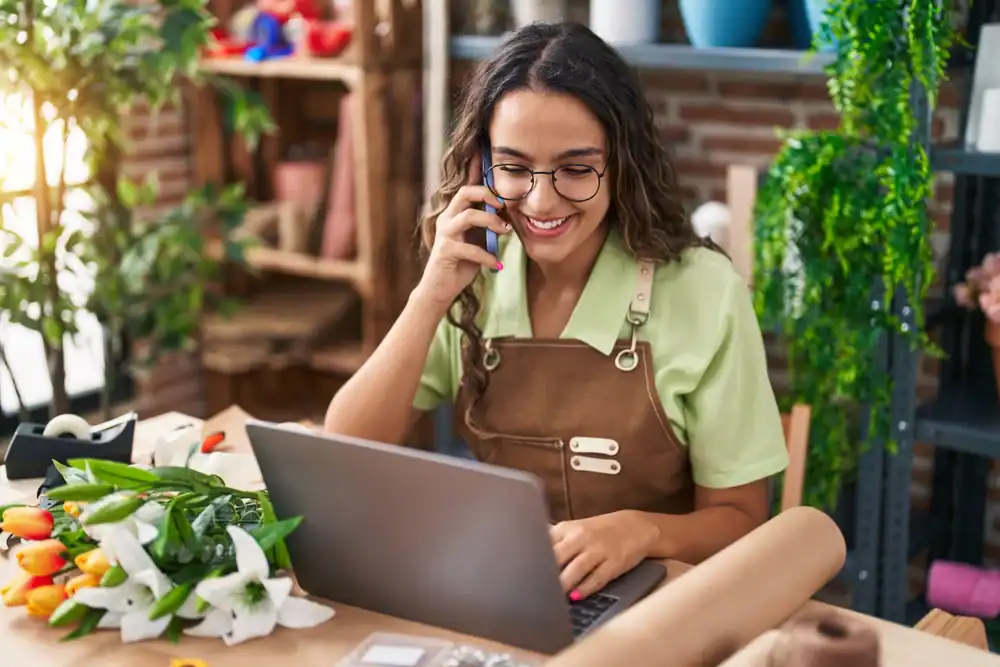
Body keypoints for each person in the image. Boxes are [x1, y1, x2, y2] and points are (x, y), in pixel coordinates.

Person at [325, 21, 789, 602]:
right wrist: (430, 295)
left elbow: (743, 518)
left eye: (576, 169)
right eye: (514, 167)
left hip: (664, 605)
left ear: (622, 163)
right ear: (481, 166)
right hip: (505, 593)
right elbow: (342, 448)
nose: (542, 202)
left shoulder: (702, 291)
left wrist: (640, 531)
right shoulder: (475, 275)